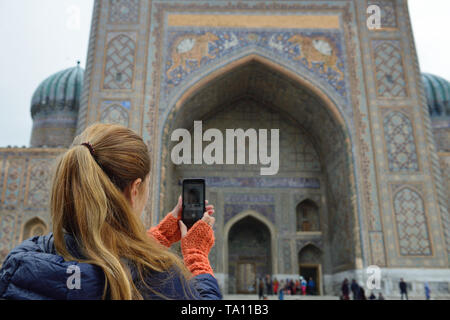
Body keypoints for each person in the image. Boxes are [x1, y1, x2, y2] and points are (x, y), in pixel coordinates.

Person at [0, 124, 221, 300]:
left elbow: (96, 252)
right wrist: (197, 256)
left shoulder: (23, 261)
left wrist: (158, 237)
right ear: (135, 189)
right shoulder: (160, 280)